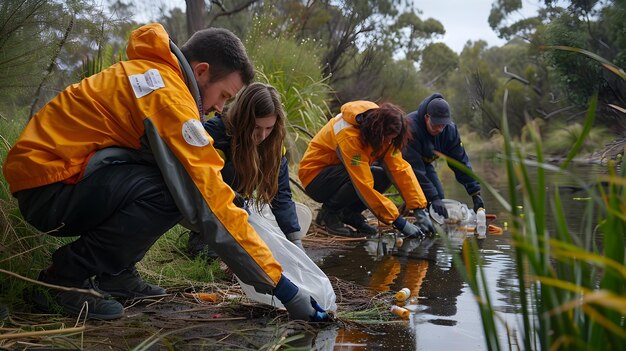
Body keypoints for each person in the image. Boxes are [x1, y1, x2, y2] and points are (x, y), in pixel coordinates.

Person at [2, 23, 327, 322]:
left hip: (54, 179)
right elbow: (209, 199)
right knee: (177, 188)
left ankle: (115, 273)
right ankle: (64, 281)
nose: (218, 107)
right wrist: (281, 286)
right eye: (224, 95)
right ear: (202, 71)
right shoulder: (168, 99)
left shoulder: (154, 76)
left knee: (170, 179)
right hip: (50, 189)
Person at [187, 82, 307, 255]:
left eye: (269, 128)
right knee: (233, 172)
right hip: (211, 205)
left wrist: (295, 240)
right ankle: (202, 238)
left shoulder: (273, 144)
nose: (262, 136)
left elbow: (282, 196)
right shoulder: (216, 133)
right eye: (256, 127)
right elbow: (200, 185)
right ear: (243, 119)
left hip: (239, 208)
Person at [298, 101, 435, 238]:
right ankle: (328, 213)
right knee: (357, 178)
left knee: (383, 176)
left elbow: (399, 169)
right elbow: (363, 183)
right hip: (315, 179)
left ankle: (349, 213)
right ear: (378, 132)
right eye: (387, 138)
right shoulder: (349, 134)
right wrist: (398, 222)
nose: (389, 141)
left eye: (392, 138)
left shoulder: (384, 129)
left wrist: (419, 210)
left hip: (339, 173)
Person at [403, 93, 484, 219]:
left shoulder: (450, 131)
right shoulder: (411, 127)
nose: (440, 129)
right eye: (436, 125)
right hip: (402, 164)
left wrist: (475, 193)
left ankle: (432, 225)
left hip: (425, 163)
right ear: (426, 118)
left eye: (443, 124)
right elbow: (416, 170)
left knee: (440, 199)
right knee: (433, 198)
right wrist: (433, 198)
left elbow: (460, 162)